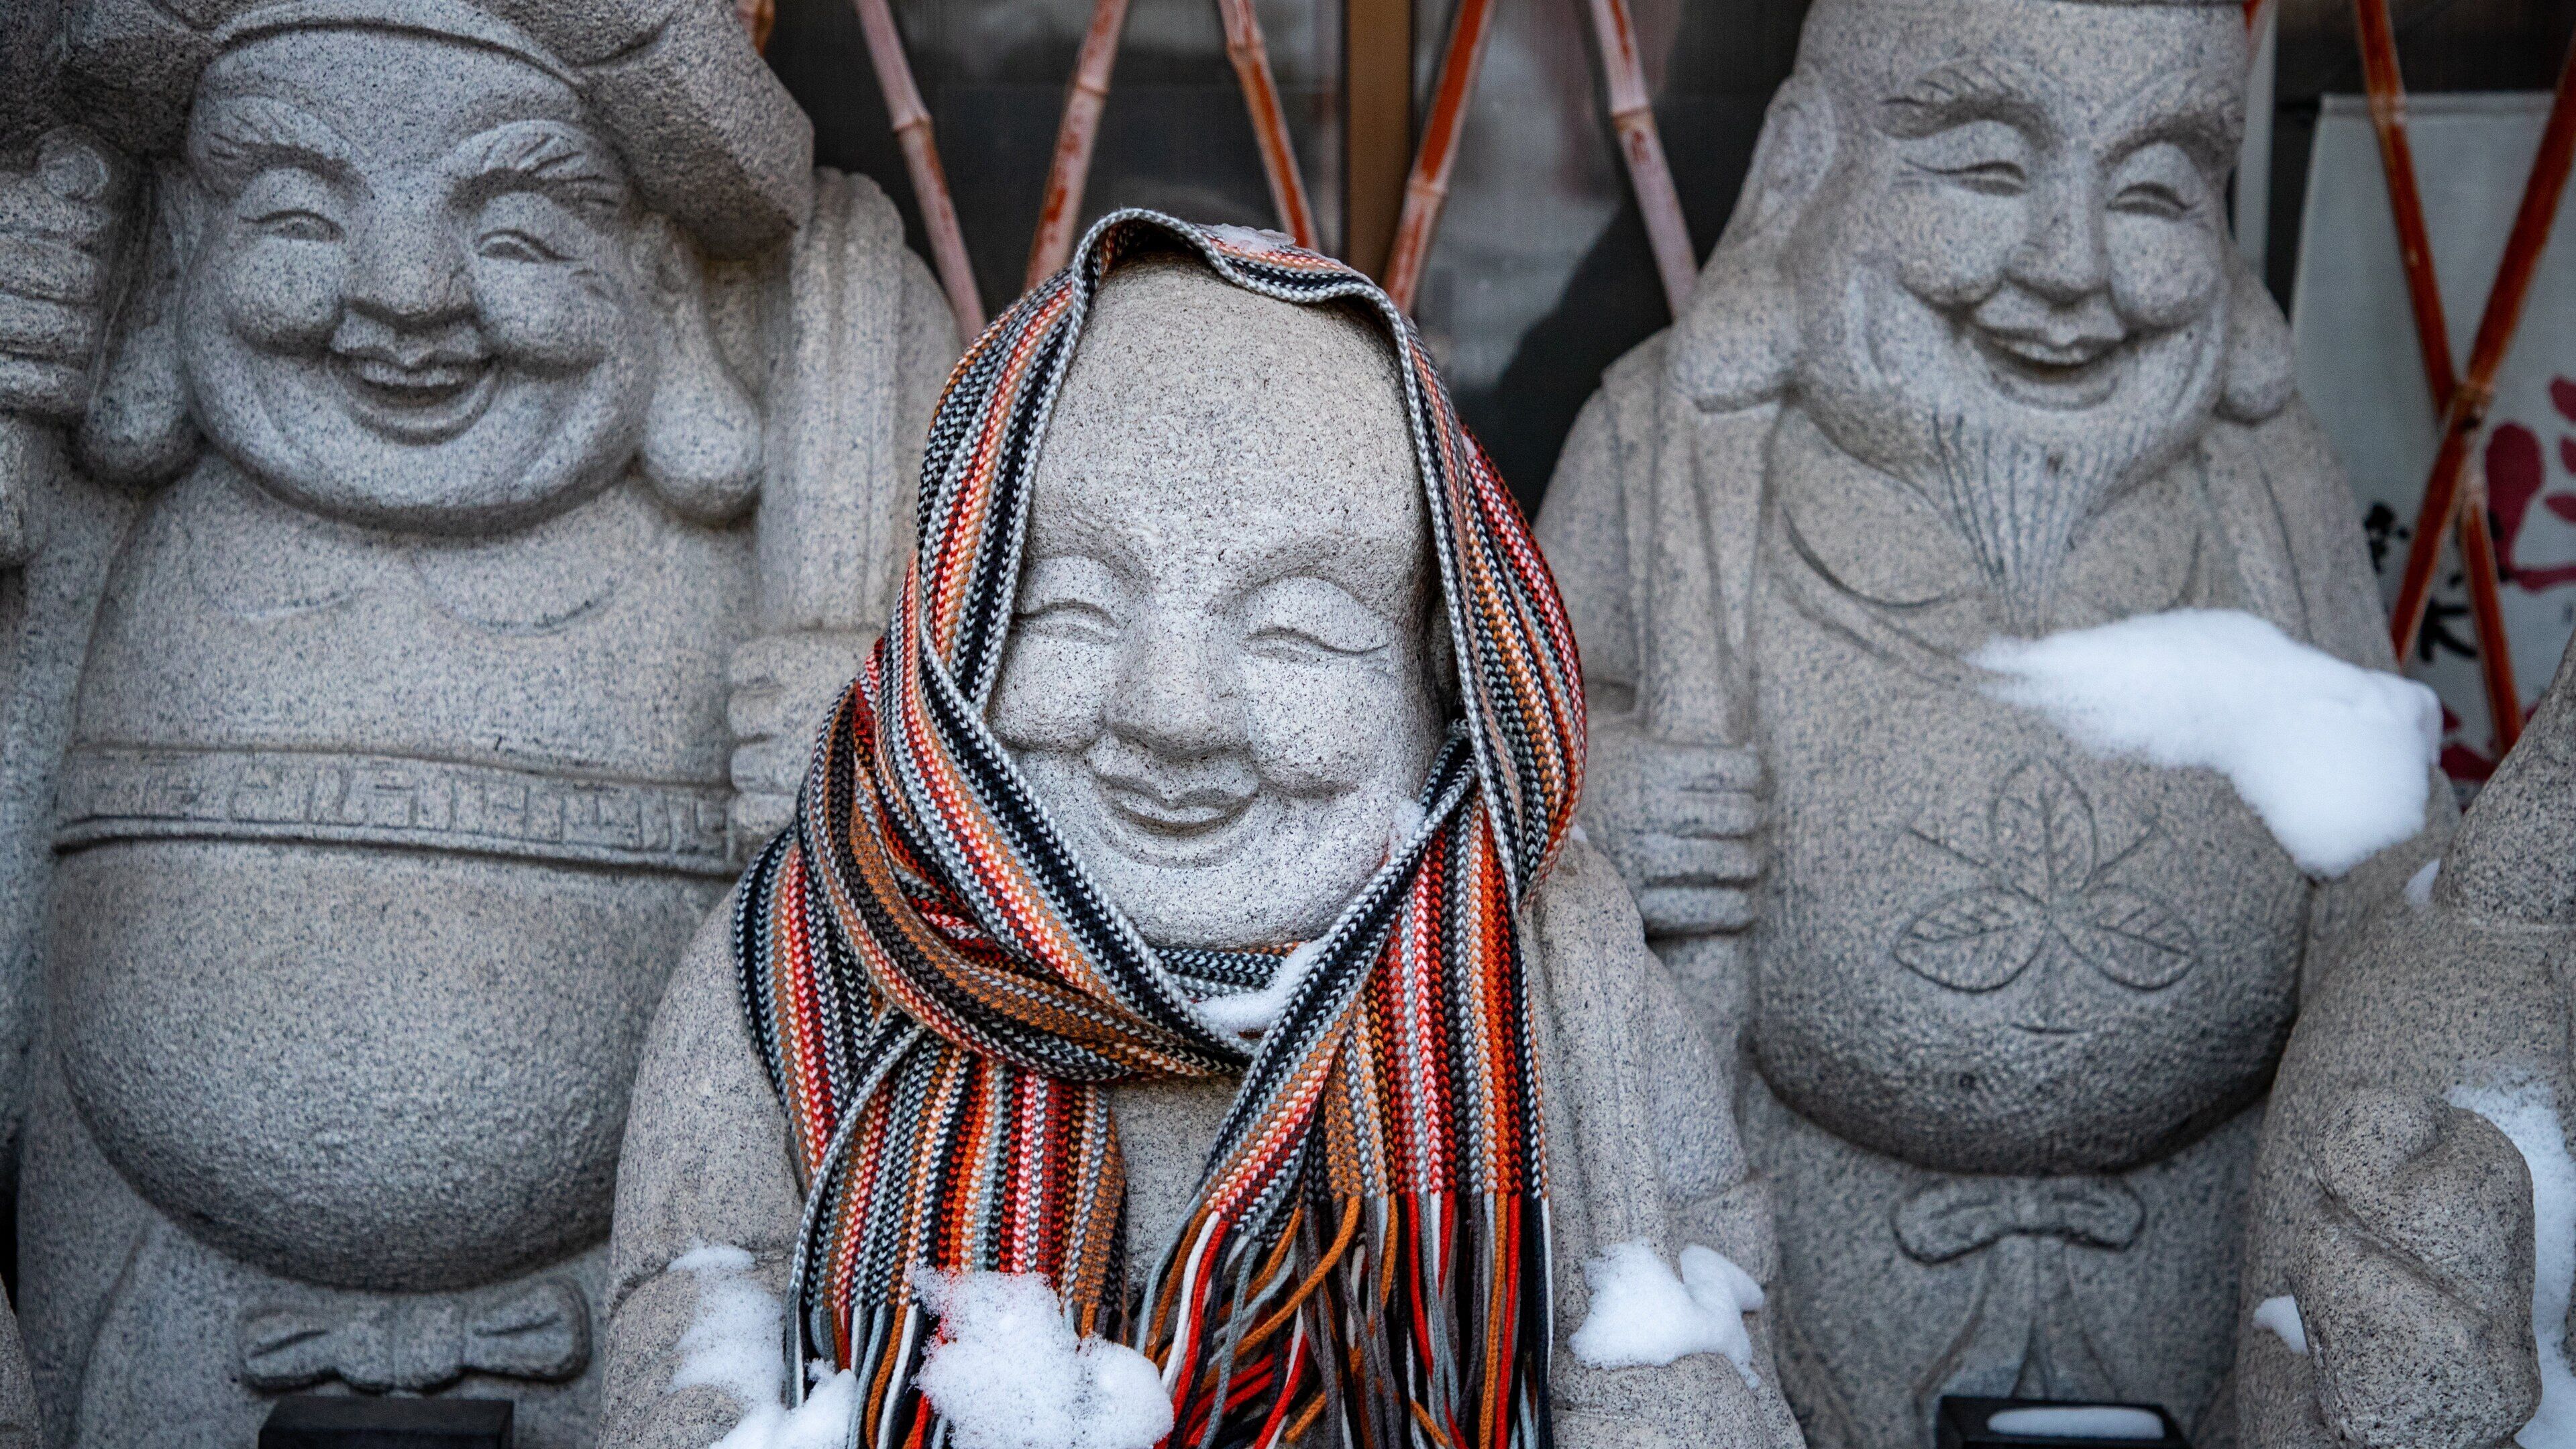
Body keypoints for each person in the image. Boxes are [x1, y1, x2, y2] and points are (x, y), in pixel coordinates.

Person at [598, 215, 1799, 1449]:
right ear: (965, 630)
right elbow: (682, 1356)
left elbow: (1724, 1351)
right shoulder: (820, 943)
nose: (1173, 716)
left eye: (1293, 632)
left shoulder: (1553, 973)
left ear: (1427, 668)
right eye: (1071, 609)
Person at [1534, 0, 2443, 1442]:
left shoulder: (2266, 482)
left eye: (2151, 191)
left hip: (2200, 1255)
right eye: (1986, 171)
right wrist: (1600, 811)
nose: (2071, 268)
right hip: (1800, 1254)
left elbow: (2398, 849)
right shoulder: (1669, 454)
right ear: (1803, 165)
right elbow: (1502, 789)